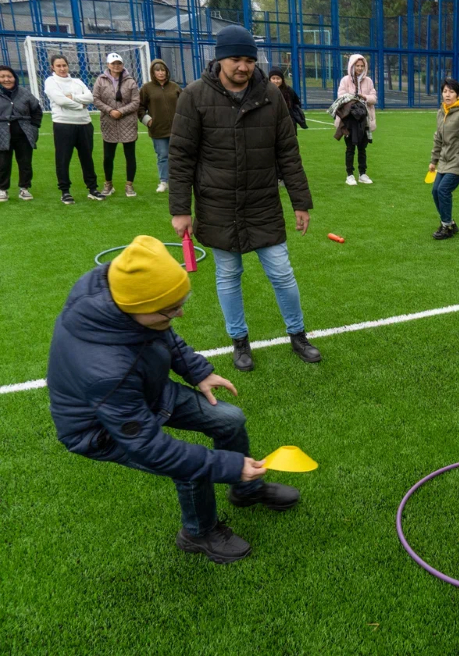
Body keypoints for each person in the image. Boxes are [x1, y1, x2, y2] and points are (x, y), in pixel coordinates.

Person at [47, 236, 301, 564]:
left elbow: (159, 329)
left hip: (144, 391)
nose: (179, 314)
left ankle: (245, 491)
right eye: (170, 309)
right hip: (101, 430)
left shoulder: (121, 288)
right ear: (137, 308)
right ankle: (198, 533)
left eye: (181, 302)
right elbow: (153, 448)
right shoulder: (106, 371)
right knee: (190, 469)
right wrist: (228, 465)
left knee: (230, 419)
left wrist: (197, 371)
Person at [169, 24, 321, 371]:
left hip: (262, 203)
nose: (243, 66)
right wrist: (180, 209)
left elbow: (288, 152)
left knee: (282, 273)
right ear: (220, 58)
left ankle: (298, 335)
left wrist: (300, 202)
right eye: (236, 59)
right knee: (227, 275)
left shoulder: (270, 95)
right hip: (216, 203)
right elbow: (180, 157)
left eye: (249, 59)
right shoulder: (193, 96)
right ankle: (239, 341)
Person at [44, 54, 105, 204]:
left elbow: (90, 97)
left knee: (87, 158)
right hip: (63, 124)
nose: (62, 68)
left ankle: (92, 189)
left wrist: (72, 97)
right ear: (53, 67)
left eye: (64, 65)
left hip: (84, 124)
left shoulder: (77, 81)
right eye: (58, 66)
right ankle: (65, 191)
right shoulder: (51, 81)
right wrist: (79, 104)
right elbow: (59, 100)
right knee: (63, 159)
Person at [428, 78, 459, 240]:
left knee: (443, 190)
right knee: (435, 191)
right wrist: (433, 160)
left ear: (458, 95)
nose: (447, 95)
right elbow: (438, 138)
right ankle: (449, 222)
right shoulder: (441, 112)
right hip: (444, 160)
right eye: (445, 91)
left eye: (451, 91)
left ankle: (447, 227)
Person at [93, 53, 140, 197]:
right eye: (113, 63)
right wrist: (110, 111)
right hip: (109, 122)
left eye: (119, 63)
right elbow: (96, 98)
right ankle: (108, 184)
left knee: (130, 156)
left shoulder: (130, 81)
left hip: (128, 122)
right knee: (108, 156)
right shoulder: (100, 80)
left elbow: (136, 101)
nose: (116, 66)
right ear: (108, 65)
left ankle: (129, 185)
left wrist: (121, 111)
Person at [138, 59, 182, 193]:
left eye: (163, 70)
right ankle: (164, 181)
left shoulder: (175, 87)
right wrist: (148, 120)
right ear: (153, 72)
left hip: (178, 129)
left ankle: (179, 181)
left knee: (179, 156)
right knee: (163, 155)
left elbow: (186, 104)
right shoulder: (146, 88)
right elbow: (140, 108)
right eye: (157, 70)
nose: (161, 73)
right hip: (158, 130)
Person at [0, 65, 42, 202]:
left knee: (25, 163)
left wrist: (34, 128)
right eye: (2, 76)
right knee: (2, 163)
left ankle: (24, 188)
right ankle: (2, 189)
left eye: (9, 76)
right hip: (2, 134)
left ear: (14, 78)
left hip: (24, 134)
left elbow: (37, 111)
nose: (6, 79)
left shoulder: (24, 93)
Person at [336, 54, 377, 186]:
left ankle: (362, 174)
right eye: (357, 66)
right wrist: (353, 99)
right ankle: (350, 175)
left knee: (362, 148)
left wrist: (363, 97)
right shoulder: (345, 80)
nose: (359, 68)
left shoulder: (369, 81)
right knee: (350, 148)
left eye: (362, 66)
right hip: (349, 120)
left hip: (364, 119)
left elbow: (373, 98)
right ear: (352, 66)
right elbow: (340, 97)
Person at [268, 69, 307, 187]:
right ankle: (275, 176)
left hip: (288, 125)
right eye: (273, 78)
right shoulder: (265, 91)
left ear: (282, 79)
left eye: (278, 78)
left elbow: (297, 103)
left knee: (287, 153)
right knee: (271, 152)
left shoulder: (288, 91)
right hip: (271, 126)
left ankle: (285, 177)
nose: (276, 81)